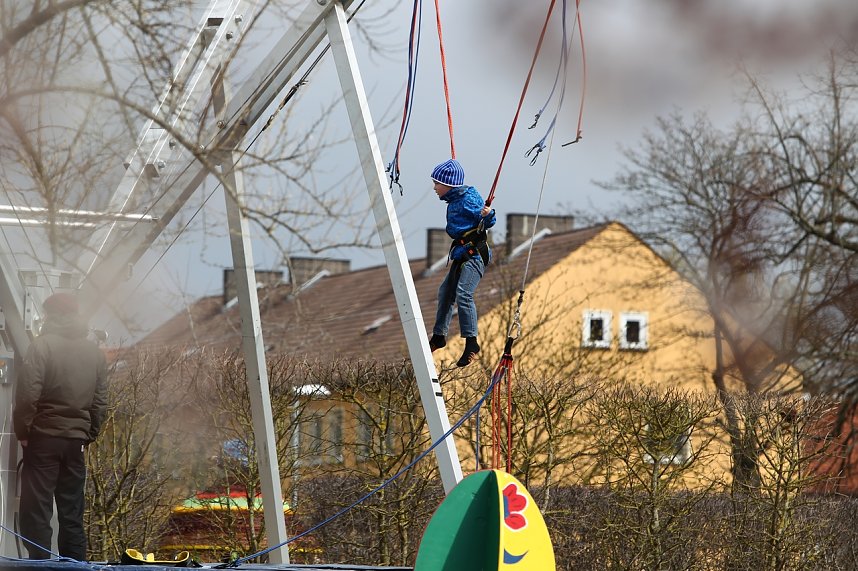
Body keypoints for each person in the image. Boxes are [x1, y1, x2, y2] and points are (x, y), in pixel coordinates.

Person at [13, 292, 108, 560]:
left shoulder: (41, 346)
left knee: (36, 510)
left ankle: (40, 564)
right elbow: (100, 402)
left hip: (42, 438)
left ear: (51, 315)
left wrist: (23, 432)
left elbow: (27, 395)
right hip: (75, 443)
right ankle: (74, 565)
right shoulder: (95, 353)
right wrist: (87, 435)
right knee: (72, 512)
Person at [428, 159, 496, 367]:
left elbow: (488, 220)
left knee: (463, 294)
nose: (434, 188)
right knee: (445, 292)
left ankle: (472, 343)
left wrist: (488, 214)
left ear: (449, 184)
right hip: (462, 253)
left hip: (475, 254)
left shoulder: (468, 199)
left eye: (437, 184)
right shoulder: (455, 197)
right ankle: (439, 336)